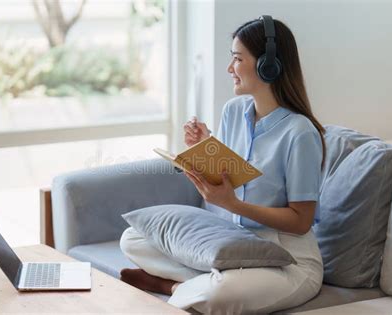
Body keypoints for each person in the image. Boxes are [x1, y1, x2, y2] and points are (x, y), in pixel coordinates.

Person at [119, 15, 326, 314]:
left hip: (286, 258)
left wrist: (232, 204)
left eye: (238, 59)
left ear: (270, 65)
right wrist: (205, 147)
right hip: (231, 243)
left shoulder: (300, 133)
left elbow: (301, 221)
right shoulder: (234, 111)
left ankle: (174, 286)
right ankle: (197, 284)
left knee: (221, 295)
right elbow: (232, 173)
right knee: (134, 237)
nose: (230, 69)